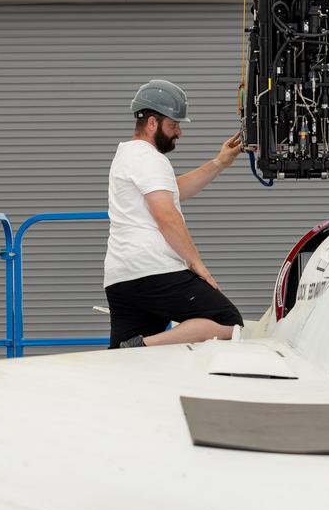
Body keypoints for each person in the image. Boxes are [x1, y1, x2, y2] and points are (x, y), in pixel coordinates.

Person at [104, 79, 245, 348]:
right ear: (152, 123)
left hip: (122, 278)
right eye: (173, 124)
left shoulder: (126, 155)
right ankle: (144, 345)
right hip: (154, 270)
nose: (179, 131)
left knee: (124, 361)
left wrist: (219, 163)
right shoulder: (149, 158)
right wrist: (197, 264)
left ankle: (136, 346)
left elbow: (173, 190)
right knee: (229, 323)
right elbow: (167, 217)